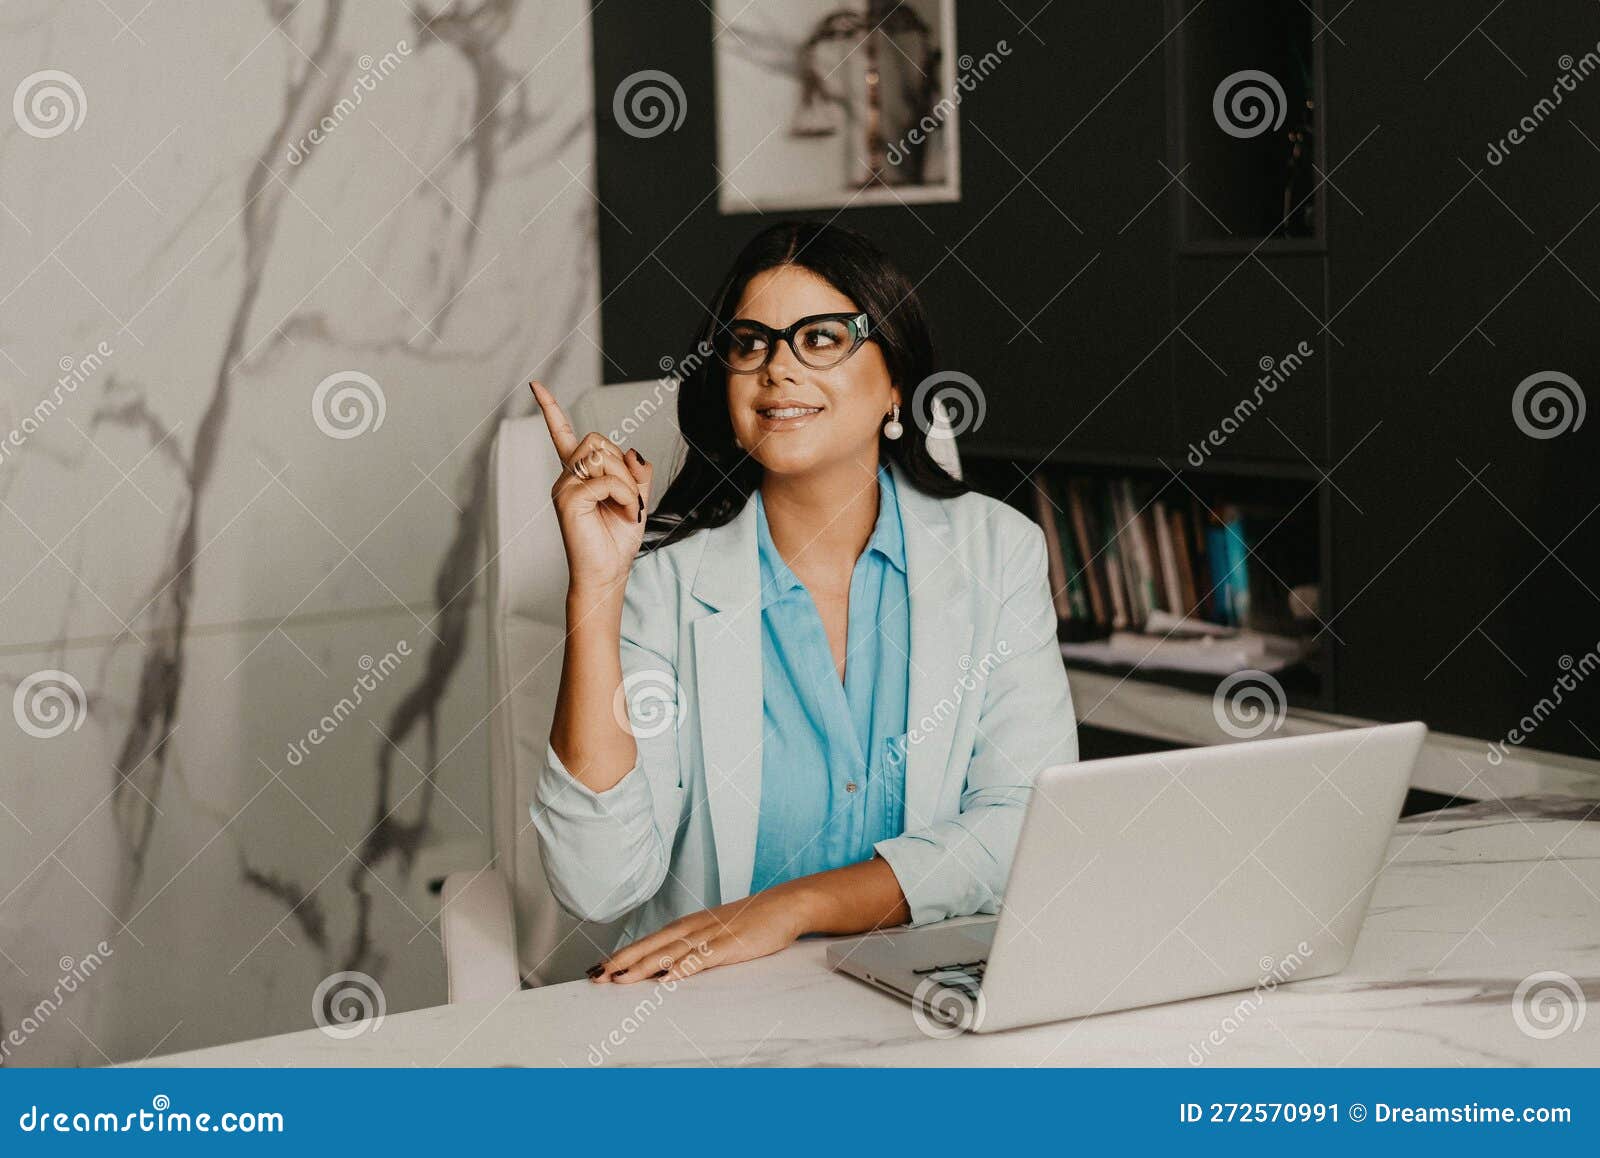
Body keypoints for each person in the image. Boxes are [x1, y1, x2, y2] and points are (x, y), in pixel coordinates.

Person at [529, 220, 1077, 985]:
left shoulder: (997, 553)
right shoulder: (661, 580)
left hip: (926, 994)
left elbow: (1023, 829)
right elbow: (598, 883)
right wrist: (596, 591)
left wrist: (794, 906)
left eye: (820, 339)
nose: (776, 369)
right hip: (704, 1013)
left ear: (897, 381)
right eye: (750, 343)